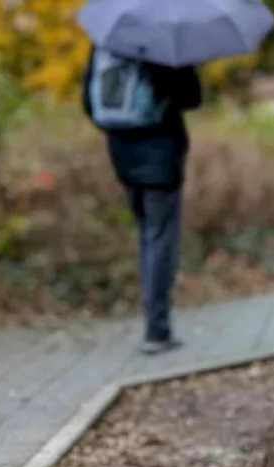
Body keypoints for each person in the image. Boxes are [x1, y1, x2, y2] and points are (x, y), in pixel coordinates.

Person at [82, 47, 203, 354]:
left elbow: (89, 103)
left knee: (147, 236)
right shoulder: (162, 43)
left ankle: (154, 320)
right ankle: (156, 330)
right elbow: (191, 97)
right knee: (160, 239)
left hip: (122, 154)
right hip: (161, 155)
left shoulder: (105, 42)